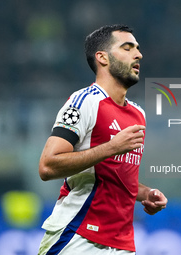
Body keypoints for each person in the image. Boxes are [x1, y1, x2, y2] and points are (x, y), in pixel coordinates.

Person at [38, 24, 168, 255]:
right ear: (102, 58)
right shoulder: (84, 102)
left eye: (137, 49)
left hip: (122, 244)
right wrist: (111, 147)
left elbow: (112, 176)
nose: (138, 54)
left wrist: (146, 194)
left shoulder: (138, 114)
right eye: (127, 48)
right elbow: (47, 166)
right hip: (78, 236)